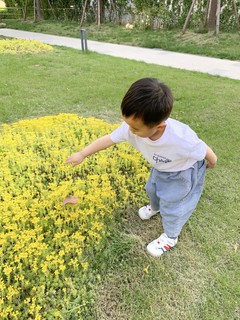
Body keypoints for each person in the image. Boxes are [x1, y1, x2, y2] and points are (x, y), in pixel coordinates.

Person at [66, 78, 217, 257]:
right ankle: (156, 207)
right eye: (127, 123)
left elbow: (202, 147)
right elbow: (108, 139)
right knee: (151, 189)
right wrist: (83, 154)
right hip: (161, 167)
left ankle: (171, 236)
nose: (130, 131)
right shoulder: (132, 127)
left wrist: (212, 161)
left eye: (136, 128)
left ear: (159, 126)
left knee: (173, 205)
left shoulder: (182, 138)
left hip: (182, 173)